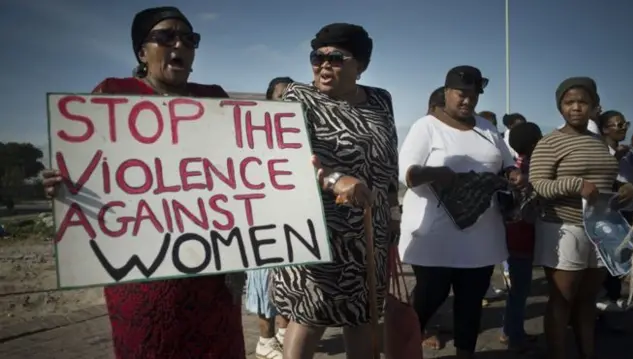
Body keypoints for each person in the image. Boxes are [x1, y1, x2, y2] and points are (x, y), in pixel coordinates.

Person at [41, 7, 246, 359]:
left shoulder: (214, 97)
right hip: (142, 274)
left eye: (189, 38)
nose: (179, 43)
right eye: (166, 36)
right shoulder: (112, 94)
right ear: (141, 52)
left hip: (212, 272)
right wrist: (61, 183)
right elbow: (92, 167)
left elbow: (243, 169)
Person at [269, 23, 400, 359]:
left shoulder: (381, 101)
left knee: (364, 316)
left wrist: (393, 214)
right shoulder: (299, 97)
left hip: (370, 233)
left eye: (336, 58)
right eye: (318, 57)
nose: (324, 65)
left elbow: (389, 162)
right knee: (309, 316)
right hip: (317, 234)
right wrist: (333, 179)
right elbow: (285, 162)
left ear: (361, 65)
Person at [398, 65, 524, 358]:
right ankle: (402, 348)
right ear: (446, 93)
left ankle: (465, 352)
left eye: (473, 95)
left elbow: (506, 164)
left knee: (470, 301)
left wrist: (513, 175)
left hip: (482, 235)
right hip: (435, 236)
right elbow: (407, 173)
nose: (467, 101)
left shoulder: (487, 128)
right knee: (430, 298)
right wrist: (437, 173)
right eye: (461, 94)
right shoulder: (426, 126)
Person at [529, 77, 632, 359]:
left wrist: (624, 188)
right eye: (569, 102)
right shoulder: (550, 142)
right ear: (560, 106)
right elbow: (538, 184)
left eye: (583, 102)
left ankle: (588, 353)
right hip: (564, 227)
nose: (576, 107)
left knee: (588, 300)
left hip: (601, 229)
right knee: (562, 300)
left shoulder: (601, 143)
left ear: (594, 107)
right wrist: (575, 184)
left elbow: (608, 180)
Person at [244, 76, 296, 359]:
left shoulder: (302, 135)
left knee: (289, 282)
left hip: (292, 224)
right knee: (264, 283)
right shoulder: (252, 135)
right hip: (261, 223)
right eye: (282, 96)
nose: (288, 101)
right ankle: (265, 342)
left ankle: (282, 334)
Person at [500, 122, 543, 353]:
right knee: (520, 290)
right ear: (535, 143)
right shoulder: (531, 170)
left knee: (516, 290)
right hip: (522, 237)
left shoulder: (514, 167)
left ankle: (511, 331)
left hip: (512, 236)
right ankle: (513, 336)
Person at [595, 110, 633, 314]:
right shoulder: (600, 153)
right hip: (608, 215)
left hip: (628, 213)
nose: (623, 128)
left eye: (625, 124)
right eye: (617, 125)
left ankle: (611, 303)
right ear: (604, 129)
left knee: (620, 259)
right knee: (605, 262)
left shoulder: (629, 154)